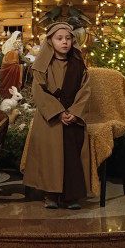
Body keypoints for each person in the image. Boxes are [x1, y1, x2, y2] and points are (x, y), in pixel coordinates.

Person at [21, 22, 90, 210]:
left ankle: (71, 196)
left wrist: (75, 113)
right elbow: (39, 91)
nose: (64, 42)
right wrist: (58, 112)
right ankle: (50, 195)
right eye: (59, 38)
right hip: (49, 117)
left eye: (68, 38)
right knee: (50, 156)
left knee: (71, 155)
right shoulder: (42, 66)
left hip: (72, 116)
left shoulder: (78, 65)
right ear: (51, 41)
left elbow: (85, 90)